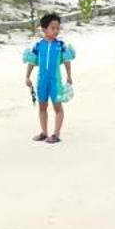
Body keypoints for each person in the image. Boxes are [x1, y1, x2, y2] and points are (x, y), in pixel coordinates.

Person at [23, 12, 75, 144]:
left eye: (58, 28)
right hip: (42, 81)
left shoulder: (61, 45)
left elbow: (67, 60)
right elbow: (32, 62)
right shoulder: (38, 46)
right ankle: (44, 133)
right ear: (44, 29)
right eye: (53, 28)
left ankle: (56, 134)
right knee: (42, 107)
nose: (56, 31)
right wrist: (27, 77)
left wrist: (69, 76)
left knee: (58, 107)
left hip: (55, 81)